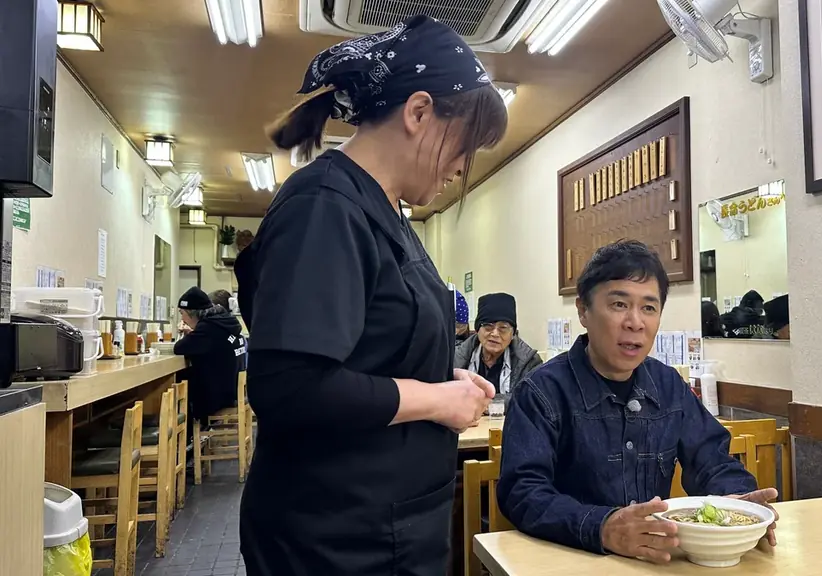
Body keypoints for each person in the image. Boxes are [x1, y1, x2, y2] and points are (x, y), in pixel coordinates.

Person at [232, 15, 507, 576]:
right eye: (466, 146)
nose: (463, 167)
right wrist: (435, 400)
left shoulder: (388, 212)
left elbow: (371, 354)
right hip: (336, 538)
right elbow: (291, 388)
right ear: (419, 112)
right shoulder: (325, 207)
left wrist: (440, 379)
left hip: (393, 524)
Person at [497, 240, 778, 564]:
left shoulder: (668, 385)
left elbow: (712, 459)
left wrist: (738, 503)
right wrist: (601, 527)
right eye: (618, 304)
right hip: (565, 561)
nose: (635, 322)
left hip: (652, 562)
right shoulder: (542, 391)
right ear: (583, 311)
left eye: (649, 307)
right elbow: (523, 492)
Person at [173, 287, 246, 423]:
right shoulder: (226, 322)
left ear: (192, 313)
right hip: (233, 391)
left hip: (218, 397)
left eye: (182, 313)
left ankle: (185, 437)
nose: (182, 318)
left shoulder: (207, 329)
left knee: (179, 383)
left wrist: (190, 334)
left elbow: (179, 347)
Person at [455, 292, 542, 402]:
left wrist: (486, 402)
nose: (495, 334)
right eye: (488, 326)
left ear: (513, 333)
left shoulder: (530, 361)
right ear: (477, 330)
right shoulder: (457, 358)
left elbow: (530, 398)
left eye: (503, 328)